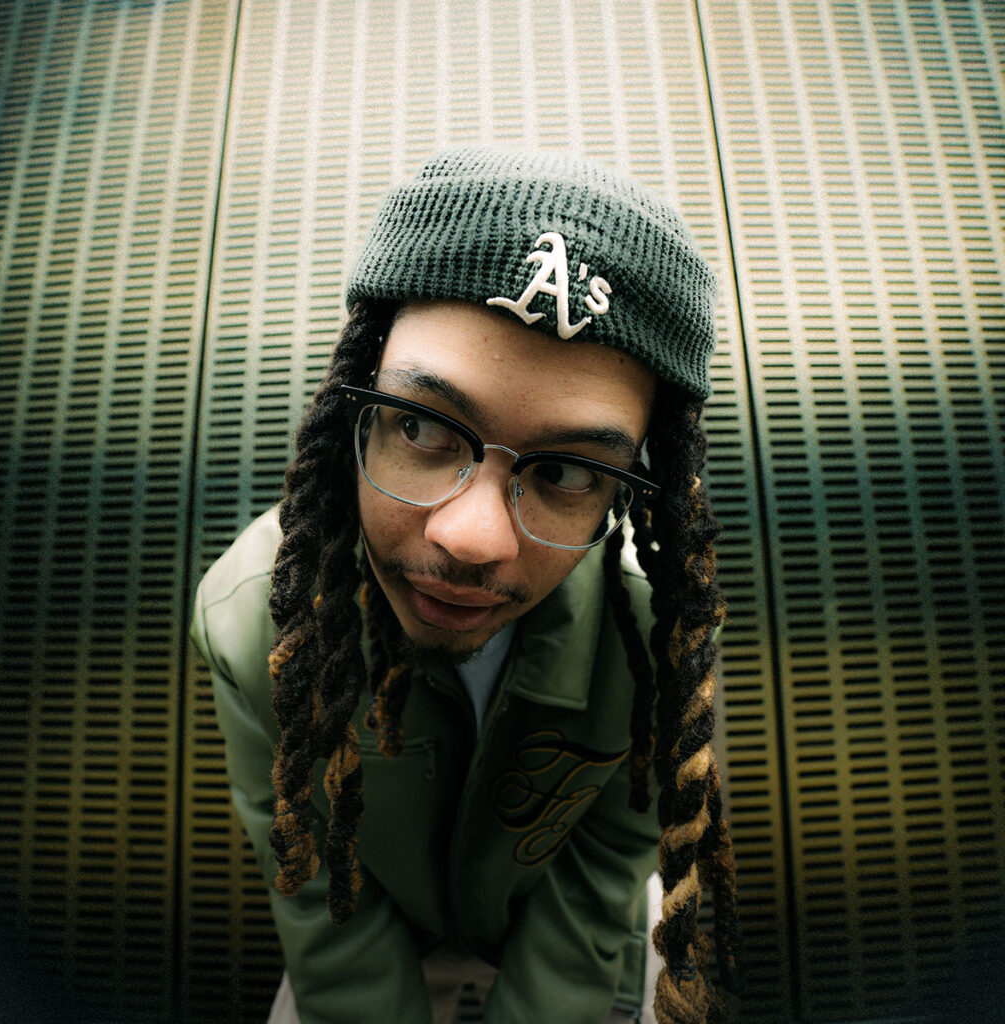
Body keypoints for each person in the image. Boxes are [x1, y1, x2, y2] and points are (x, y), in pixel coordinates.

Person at [190, 146, 742, 1024]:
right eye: (421, 426)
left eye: (567, 472)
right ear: (354, 407)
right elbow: (319, 895)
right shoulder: (255, 619)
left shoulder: (650, 635)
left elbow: (600, 878)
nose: (471, 538)